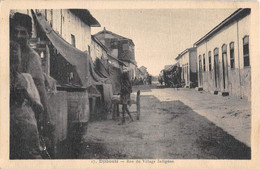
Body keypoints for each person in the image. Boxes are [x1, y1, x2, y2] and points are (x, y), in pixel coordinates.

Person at [10, 12, 53, 159]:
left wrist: (47, 119)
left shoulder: (33, 57)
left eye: (23, 32)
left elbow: (40, 88)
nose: (19, 36)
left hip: (26, 115)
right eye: (15, 31)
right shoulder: (7, 51)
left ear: (29, 34)